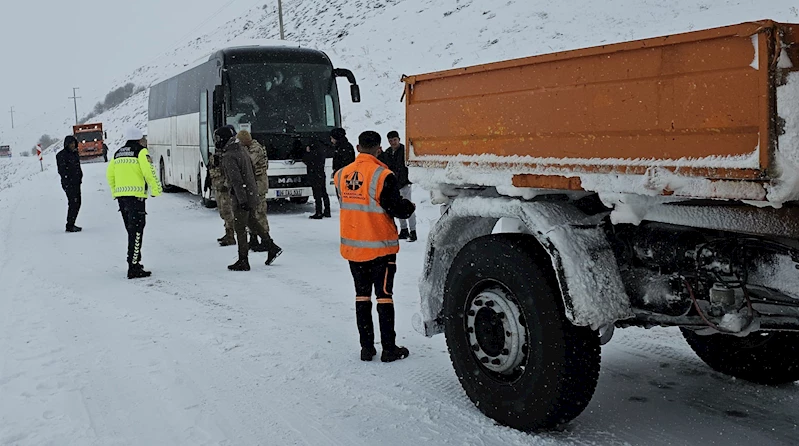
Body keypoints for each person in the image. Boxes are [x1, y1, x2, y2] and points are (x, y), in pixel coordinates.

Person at [334, 130, 416, 362]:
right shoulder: (383, 175)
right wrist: (409, 207)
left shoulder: (340, 175)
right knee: (384, 296)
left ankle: (366, 348)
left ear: (358, 148)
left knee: (362, 296)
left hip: (354, 247)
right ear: (379, 148)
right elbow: (395, 208)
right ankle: (389, 349)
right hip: (380, 247)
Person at [216, 126, 282, 271]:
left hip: (242, 196)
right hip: (250, 192)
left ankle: (243, 260)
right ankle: (271, 246)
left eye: (218, 138)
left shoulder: (229, 155)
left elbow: (237, 180)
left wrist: (242, 200)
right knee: (252, 221)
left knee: (240, 227)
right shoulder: (241, 150)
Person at [106, 127, 162, 279]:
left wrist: (115, 191)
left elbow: (110, 174)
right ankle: (133, 266)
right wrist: (156, 190)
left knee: (131, 231)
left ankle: (135, 262)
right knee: (137, 231)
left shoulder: (118, 153)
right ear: (139, 139)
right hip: (136, 198)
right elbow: (149, 172)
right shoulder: (141, 152)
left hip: (122, 198)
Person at [378, 130, 417, 242]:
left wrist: (406, 180)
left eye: (394, 140)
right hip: (394, 185)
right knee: (398, 206)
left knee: (409, 206)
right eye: (390, 141)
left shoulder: (405, 151)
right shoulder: (388, 152)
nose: (393, 142)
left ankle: (413, 231)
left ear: (399, 139)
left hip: (404, 184)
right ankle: (404, 230)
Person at [237, 129, 270, 250]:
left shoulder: (256, 148)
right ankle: (254, 238)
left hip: (259, 185)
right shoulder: (247, 147)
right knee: (252, 214)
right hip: (253, 185)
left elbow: (248, 162)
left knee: (260, 212)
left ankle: (266, 239)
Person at [206, 148, 236, 246]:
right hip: (217, 187)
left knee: (227, 212)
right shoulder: (216, 154)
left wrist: (226, 185)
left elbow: (230, 173)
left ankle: (230, 236)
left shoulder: (226, 155)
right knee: (223, 212)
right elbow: (211, 169)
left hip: (224, 189)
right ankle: (227, 233)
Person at [56, 135, 83, 232]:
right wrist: (68, 180)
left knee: (77, 203)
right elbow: (62, 171)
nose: (73, 145)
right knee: (73, 203)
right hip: (69, 184)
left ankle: (71, 223)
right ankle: (70, 225)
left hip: (77, 183)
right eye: (71, 143)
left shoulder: (75, 153)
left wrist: (79, 177)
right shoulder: (61, 155)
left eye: (74, 143)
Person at [304, 140, 330, 219]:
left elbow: (306, 160)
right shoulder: (321, 152)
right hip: (321, 174)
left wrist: (307, 153)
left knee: (317, 194)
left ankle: (318, 212)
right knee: (324, 192)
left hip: (314, 175)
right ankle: (327, 210)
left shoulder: (312, 154)